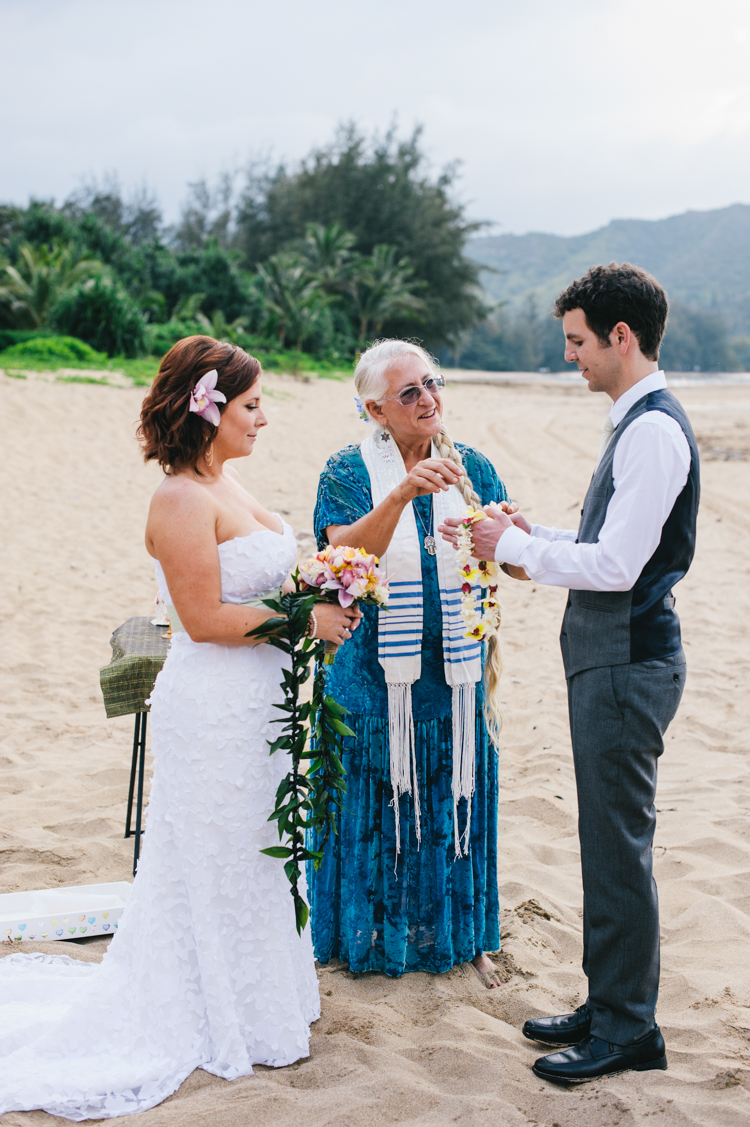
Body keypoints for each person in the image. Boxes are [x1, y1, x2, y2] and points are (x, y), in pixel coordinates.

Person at [0, 336, 360, 1119]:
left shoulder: (231, 484)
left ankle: (256, 995)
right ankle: (203, 1004)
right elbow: (201, 619)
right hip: (214, 708)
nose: (264, 417)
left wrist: (325, 585)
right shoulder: (178, 499)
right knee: (213, 851)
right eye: (252, 404)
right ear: (209, 408)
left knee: (256, 851)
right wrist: (306, 618)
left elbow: (275, 578)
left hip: (259, 705)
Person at [441, 263, 699, 1082]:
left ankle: (628, 1029)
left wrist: (509, 546)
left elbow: (619, 565)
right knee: (603, 840)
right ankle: (610, 1001)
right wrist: (531, 528)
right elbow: (606, 543)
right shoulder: (636, 422)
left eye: (579, 342)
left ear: (623, 337)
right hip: (610, 659)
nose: (571, 358)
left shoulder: (653, 430)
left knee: (619, 848)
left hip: (628, 661)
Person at [307, 338, 516, 988]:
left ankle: (462, 937)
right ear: (376, 409)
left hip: (455, 679)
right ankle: (366, 942)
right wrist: (398, 495)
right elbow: (340, 557)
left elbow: (508, 554)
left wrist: (512, 529)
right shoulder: (346, 471)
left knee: (457, 796)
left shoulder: (470, 462)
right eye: (409, 393)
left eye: (432, 383)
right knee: (374, 803)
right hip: (372, 682)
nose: (429, 400)